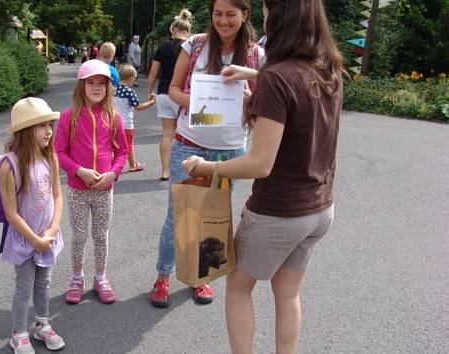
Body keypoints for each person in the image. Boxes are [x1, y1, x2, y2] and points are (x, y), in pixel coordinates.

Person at [183, 1, 343, 352]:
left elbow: (260, 164)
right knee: (288, 293)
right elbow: (297, 96)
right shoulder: (327, 68)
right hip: (319, 210)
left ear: (281, 17)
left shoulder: (278, 76)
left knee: (239, 287)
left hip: (279, 211)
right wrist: (254, 76)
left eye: (269, 10)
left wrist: (207, 167)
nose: (266, 17)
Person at [149, 0, 265, 308]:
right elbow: (172, 89)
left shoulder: (255, 55)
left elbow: (266, 104)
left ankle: (200, 278)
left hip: (230, 152)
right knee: (179, 215)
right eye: (218, 14)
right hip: (189, 143)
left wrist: (249, 99)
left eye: (230, 14)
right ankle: (163, 276)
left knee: (211, 216)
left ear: (245, 15)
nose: (223, 21)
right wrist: (199, 100)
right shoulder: (195, 45)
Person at [54, 59, 128, 305]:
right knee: (79, 235)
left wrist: (113, 174)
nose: (96, 88)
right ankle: (77, 278)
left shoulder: (114, 117)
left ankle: (101, 277)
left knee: (101, 235)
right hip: (77, 190)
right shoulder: (68, 117)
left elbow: (122, 153)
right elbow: (59, 152)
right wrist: (79, 171)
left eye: (101, 83)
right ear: (81, 86)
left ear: (108, 87)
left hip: (104, 190)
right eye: (91, 83)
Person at [0, 97, 66, 353]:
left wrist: (51, 230)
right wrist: (34, 239)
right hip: (24, 239)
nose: (48, 130)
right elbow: (11, 213)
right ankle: (19, 333)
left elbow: (58, 196)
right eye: (41, 126)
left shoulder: (51, 158)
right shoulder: (10, 165)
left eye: (49, 125)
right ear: (25, 131)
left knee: (44, 284)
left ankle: (42, 324)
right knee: (24, 287)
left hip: (46, 236)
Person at [147, 9, 193, 181]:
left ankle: (165, 171)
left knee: (167, 133)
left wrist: (150, 91)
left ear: (172, 30)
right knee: (187, 135)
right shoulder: (190, 48)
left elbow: (153, 72)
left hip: (164, 95)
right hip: (183, 96)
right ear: (188, 32)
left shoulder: (163, 47)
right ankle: (186, 171)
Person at [114, 64, 155, 172]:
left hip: (113, 122)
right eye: (134, 79)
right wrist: (151, 102)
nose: (134, 81)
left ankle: (111, 165)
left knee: (114, 145)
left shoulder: (112, 89)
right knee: (129, 145)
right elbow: (138, 107)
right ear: (131, 78)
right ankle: (133, 165)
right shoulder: (130, 92)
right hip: (126, 124)